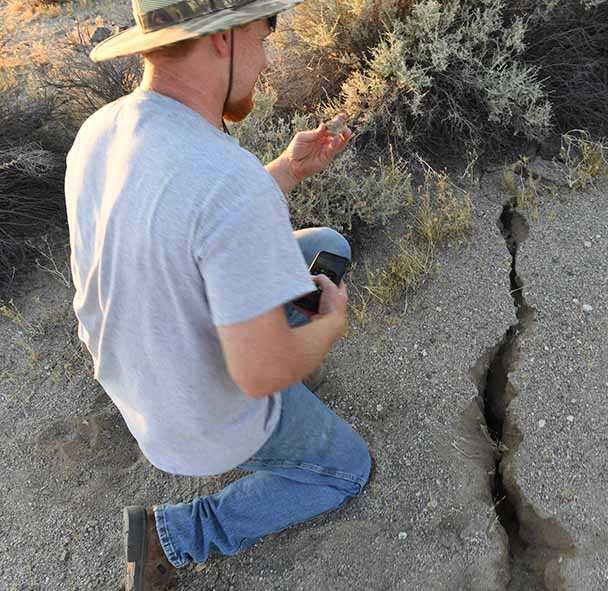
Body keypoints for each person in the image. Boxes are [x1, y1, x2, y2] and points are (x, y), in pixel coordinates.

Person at [64, 0, 372, 588]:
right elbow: (259, 374)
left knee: (326, 243)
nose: (266, 55)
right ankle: (174, 535)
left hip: (136, 370)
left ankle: (284, 348)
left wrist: (283, 170)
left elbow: (189, 218)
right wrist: (327, 326)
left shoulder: (100, 130)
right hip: (199, 414)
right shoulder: (224, 179)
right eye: (265, 32)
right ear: (224, 40)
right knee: (344, 469)